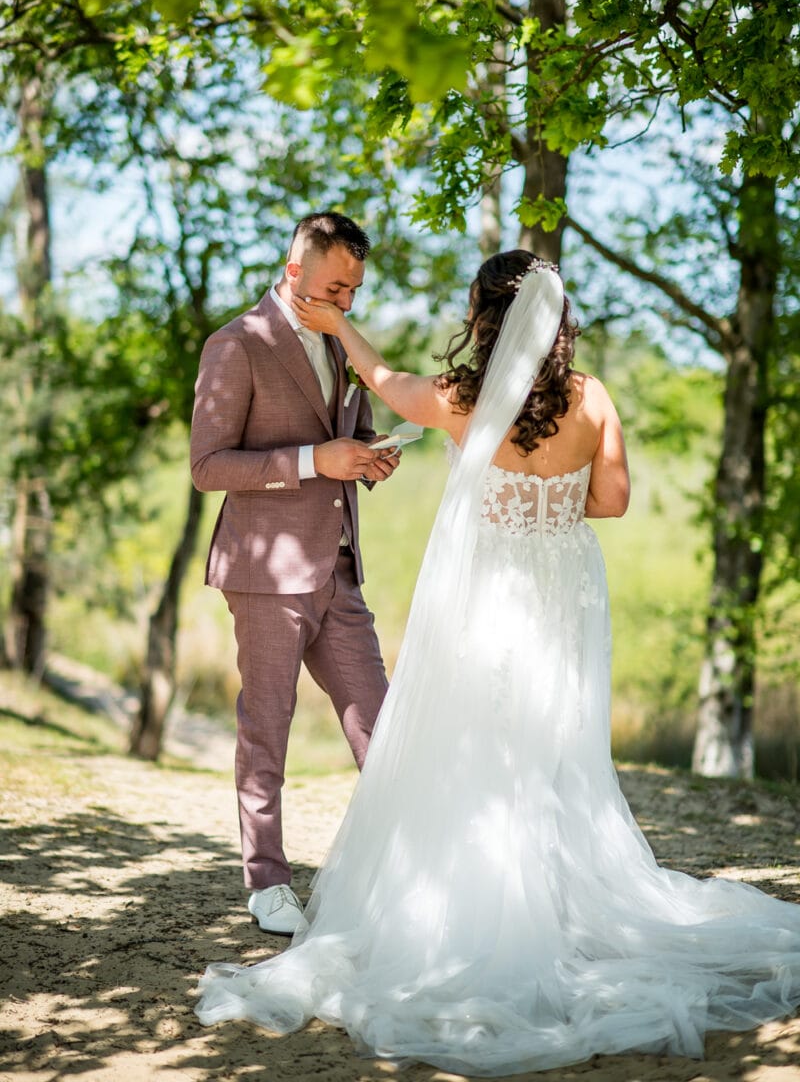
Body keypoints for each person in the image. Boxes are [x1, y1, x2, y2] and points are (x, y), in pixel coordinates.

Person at [195, 250, 800, 1075]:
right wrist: (548, 504)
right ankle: (557, 901)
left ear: (485, 317)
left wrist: (339, 325)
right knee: (551, 745)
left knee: (478, 743)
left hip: (488, 594)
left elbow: (384, 383)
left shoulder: (463, 398)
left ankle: (475, 904)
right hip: (561, 591)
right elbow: (613, 499)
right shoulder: (593, 398)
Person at [190, 212, 399, 936]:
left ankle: (409, 871)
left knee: (382, 726)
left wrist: (369, 455)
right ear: (294, 272)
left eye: (355, 290)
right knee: (267, 726)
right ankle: (267, 883)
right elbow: (207, 466)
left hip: (339, 570)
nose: (346, 303)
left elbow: (352, 434)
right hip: (264, 572)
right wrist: (316, 460)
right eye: (336, 288)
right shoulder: (235, 344)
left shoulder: (341, 341)